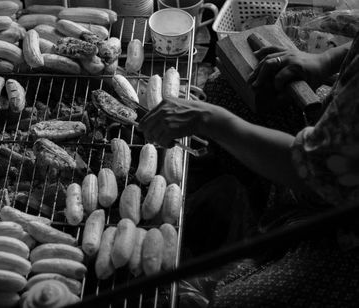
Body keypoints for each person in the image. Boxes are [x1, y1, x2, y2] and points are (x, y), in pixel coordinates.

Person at [139, 32, 359, 307]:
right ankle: (254, 200)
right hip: (335, 142)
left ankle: (265, 235)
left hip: (345, 232)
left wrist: (210, 120)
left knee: (222, 302)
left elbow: (318, 169)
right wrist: (326, 59)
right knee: (226, 90)